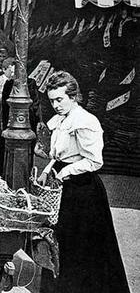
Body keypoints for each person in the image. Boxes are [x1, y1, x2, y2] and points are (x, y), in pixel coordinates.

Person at [37, 71, 129, 293]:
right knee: (61, 242)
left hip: (83, 189)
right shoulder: (60, 119)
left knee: (82, 247)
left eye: (60, 99)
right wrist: (49, 170)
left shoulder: (85, 121)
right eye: (52, 100)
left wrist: (63, 172)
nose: (56, 105)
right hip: (65, 185)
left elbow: (95, 161)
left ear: (73, 96)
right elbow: (57, 155)